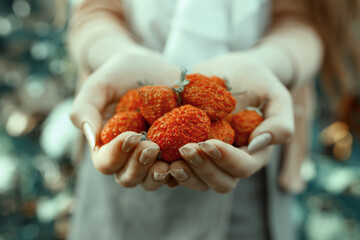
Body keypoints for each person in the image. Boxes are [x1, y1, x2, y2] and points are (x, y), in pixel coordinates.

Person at [66, 0, 360, 239]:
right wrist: (119, 57)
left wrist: (268, 65)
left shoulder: (220, 117)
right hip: (124, 161)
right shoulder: (142, 115)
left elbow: (302, 18)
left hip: (254, 169)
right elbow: (94, 10)